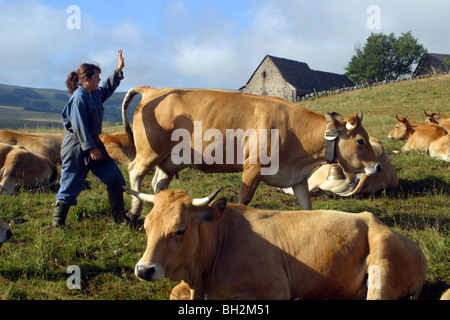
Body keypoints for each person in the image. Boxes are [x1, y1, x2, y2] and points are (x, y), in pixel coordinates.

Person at [53, 50, 127, 227]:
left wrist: (118, 70)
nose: (99, 80)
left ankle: (120, 220)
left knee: (115, 179)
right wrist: (91, 148)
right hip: (77, 146)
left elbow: (107, 88)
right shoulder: (79, 97)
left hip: (93, 144)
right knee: (70, 184)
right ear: (86, 79)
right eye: (96, 77)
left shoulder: (93, 95)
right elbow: (78, 125)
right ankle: (58, 225)